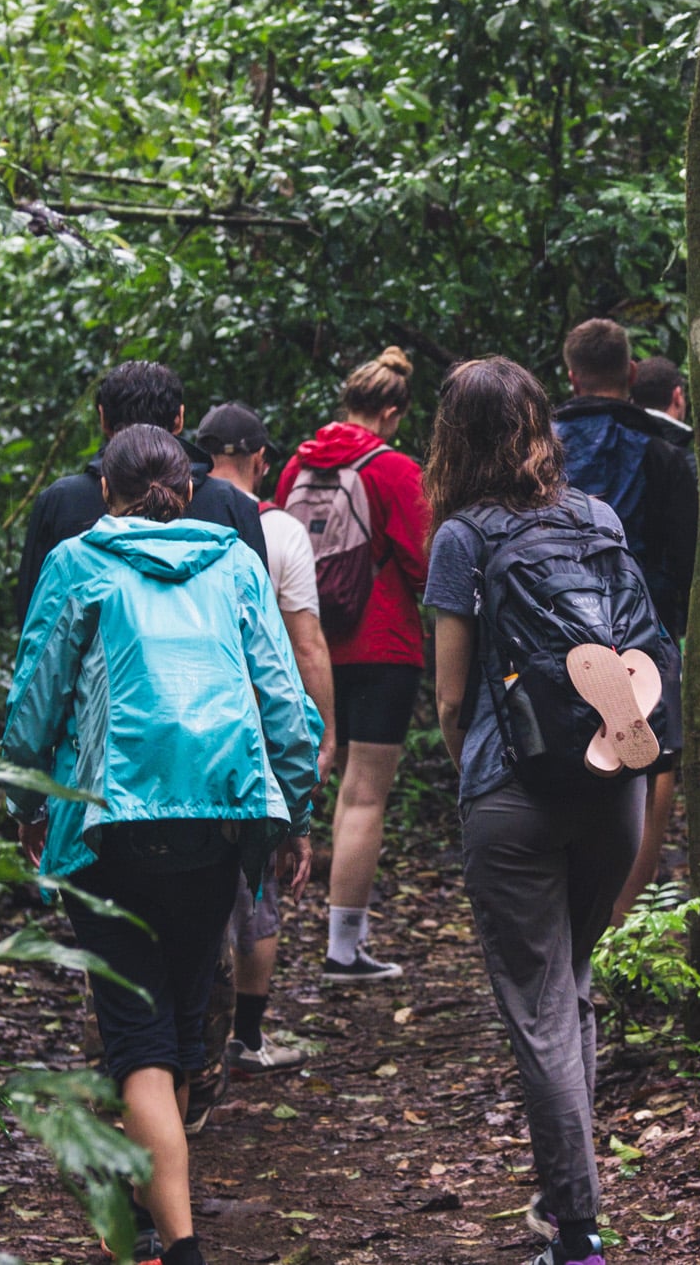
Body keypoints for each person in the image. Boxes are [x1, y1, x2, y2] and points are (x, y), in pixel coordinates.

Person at [4, 425, 321, 1265]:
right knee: (177, 1025)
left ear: (106, 490)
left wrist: (23, 796)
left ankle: (173, 1244)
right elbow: (282, 704)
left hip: (110, 825)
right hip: (216, 823)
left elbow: (35, 696)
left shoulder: (79, 562)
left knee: (140, 1040)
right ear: (187, 487)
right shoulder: (235, 563)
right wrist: (294, 814)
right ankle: (150, 1221)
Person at [424, 357, 640, 1265]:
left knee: (542, 1007)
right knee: (572, 986)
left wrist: (476, 768)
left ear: (453, 436)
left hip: (511, 794)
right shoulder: (599, 517)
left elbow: (447, 699)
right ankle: (567, 1213)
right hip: (612, 782)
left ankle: (579, 1230)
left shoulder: (461, 538)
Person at [274, 348, 430, 984]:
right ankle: (343, 948)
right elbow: (425, 565)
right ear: (391, 412)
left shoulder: (293, 468)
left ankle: (262, 933)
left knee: (304, 781)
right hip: (383, 646)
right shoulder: (394, 469)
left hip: (305, 647)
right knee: (363, 796)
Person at [196, 401, 340, 1073]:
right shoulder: (277, 531)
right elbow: (306, 646)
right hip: (258, 721)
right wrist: (321, 731)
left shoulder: (173, 515)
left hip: (189, 719)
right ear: (262, 460)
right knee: (258, 879)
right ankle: (246, 1036)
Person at [553, 319, 696, 928]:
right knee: (651, 761)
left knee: (565, 757)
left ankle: (578, 919)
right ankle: (616, 920)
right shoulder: (664, 449)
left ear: (570, 374)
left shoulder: (538, 446)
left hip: (550, 635)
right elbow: (687, 552)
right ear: (632, 374)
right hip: (645, 633)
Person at [13, 361, 267, 624]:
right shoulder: (230, 503)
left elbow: (35, 621)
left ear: (103, 418)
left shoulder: (62, 501)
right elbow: (259, 621)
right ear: (179, 418)